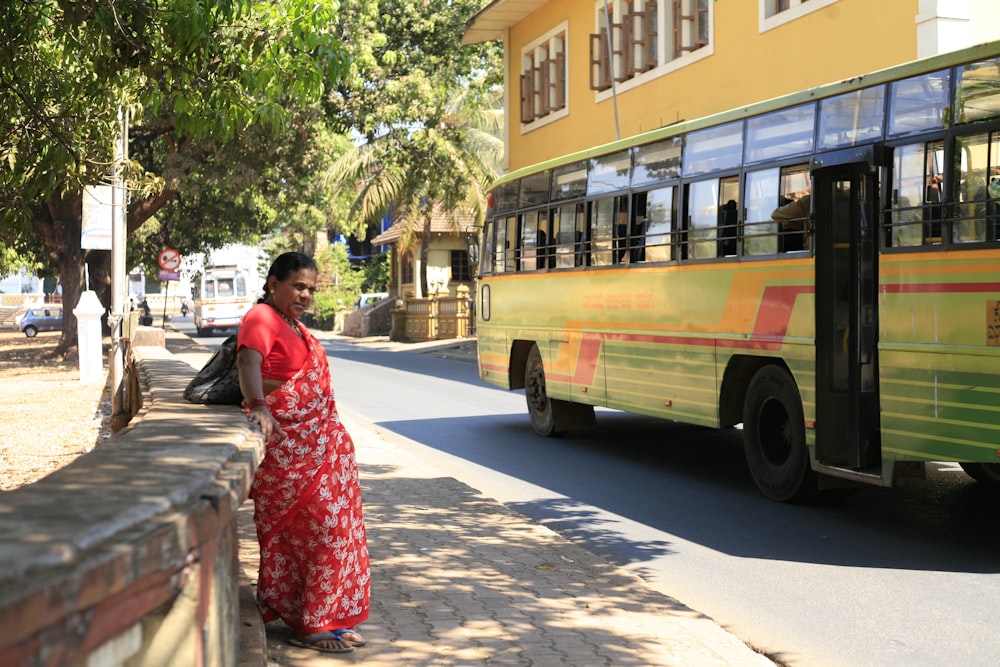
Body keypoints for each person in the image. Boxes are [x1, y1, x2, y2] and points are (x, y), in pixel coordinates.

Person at [236, 252, 370, 655]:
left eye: (311, 288)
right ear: (273, 283)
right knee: (320, 531)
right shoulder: (260, 318)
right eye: (298, 286)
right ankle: (311, 622)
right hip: (288, 452)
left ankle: (322, 616)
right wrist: (258, 404)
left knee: (332, 533)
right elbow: (248, 360)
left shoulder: (292, 325)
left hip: (320, 451)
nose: (306, 295)